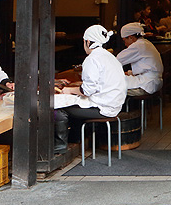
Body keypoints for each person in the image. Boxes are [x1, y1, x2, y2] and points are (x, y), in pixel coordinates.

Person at [54, 25, 127, 153]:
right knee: (73, 102)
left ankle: (61, 146)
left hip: (102, 108)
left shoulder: (92, 59)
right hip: (115, 104)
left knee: (59, 107)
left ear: (87, 42)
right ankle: (76, 139)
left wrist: (69, 90)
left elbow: (87, 91)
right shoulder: (109, 56)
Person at [115, 22, 163, 96]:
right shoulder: (146, 43)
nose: (125, 44)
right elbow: (146, 67)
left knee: (111, 86)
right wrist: (129, 73)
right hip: (154, 82)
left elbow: (115, 61)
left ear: (130, 37)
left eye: (124, 40)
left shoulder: (137, 46)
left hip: (146, 84)